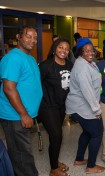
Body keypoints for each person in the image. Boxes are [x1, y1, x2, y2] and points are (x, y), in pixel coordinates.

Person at [0, 26, 42, 176]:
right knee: (22, 157)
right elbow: (9, 88)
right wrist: (24, 114)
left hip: (24, 115)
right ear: (19, 37)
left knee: (21, 154)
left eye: (35, 37)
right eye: (28, 36)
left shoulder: (30, 58)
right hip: (15, 116)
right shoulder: (12, 58)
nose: (33, 40)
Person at [65, 38, 105, 174]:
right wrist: (97, 110)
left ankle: (79, 159)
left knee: (87, 132)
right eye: (86, 51)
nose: (90, 53)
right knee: (97, 133)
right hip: (82, 107)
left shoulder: (88, 63)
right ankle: (91, 166)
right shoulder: (82, 67)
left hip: (82, 105)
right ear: (80, 52)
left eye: (92, 50)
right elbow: (87, 91)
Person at [38, 38, 73, 176]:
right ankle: (53, 169)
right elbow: (35, 86)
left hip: (61, 106)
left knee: (56, 137)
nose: (63, 50)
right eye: (60, 47)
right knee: (57, 135)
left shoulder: (70, 65)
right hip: (47, 106)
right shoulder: (45, 66)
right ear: (54, 48)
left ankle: (55, 160)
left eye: (66, 48)